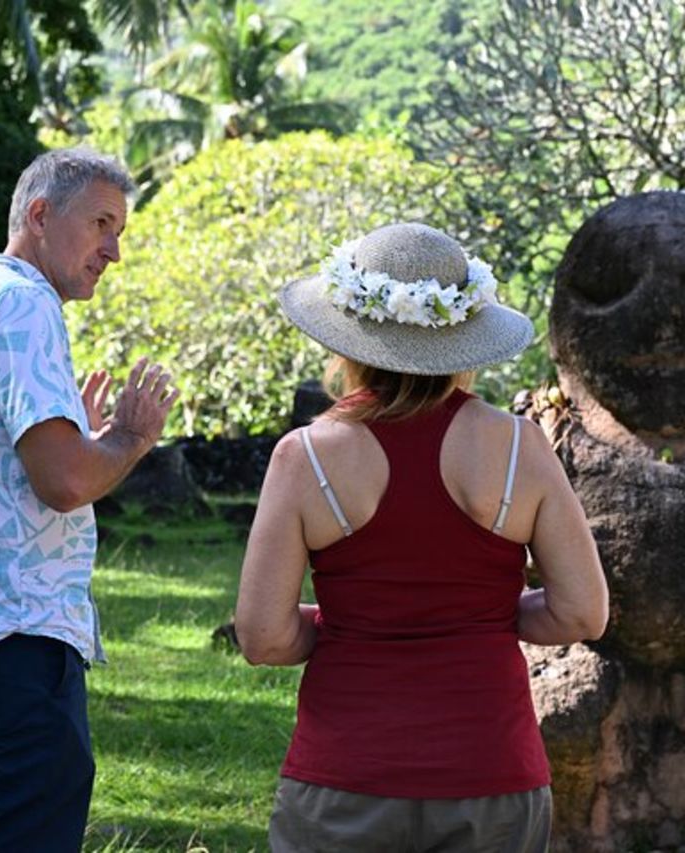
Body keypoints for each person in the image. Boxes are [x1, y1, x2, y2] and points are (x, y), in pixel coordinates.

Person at [235, 222, 609, 852]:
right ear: (462, 337)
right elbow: (582, 612)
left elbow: (264, 638)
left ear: (347, 341)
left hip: (346, 775)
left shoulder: (305, 457)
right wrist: (483, 615)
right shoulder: (520, 445)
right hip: (492, 775)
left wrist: (349, 620)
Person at [0, 147, 179, 851]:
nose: (113, 250)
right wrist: (130, 438)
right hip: (16, 624)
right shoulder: (24, 305)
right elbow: (67, 481)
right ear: (41, 214)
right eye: (102, 223)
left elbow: (9, 457)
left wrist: (84, 436)